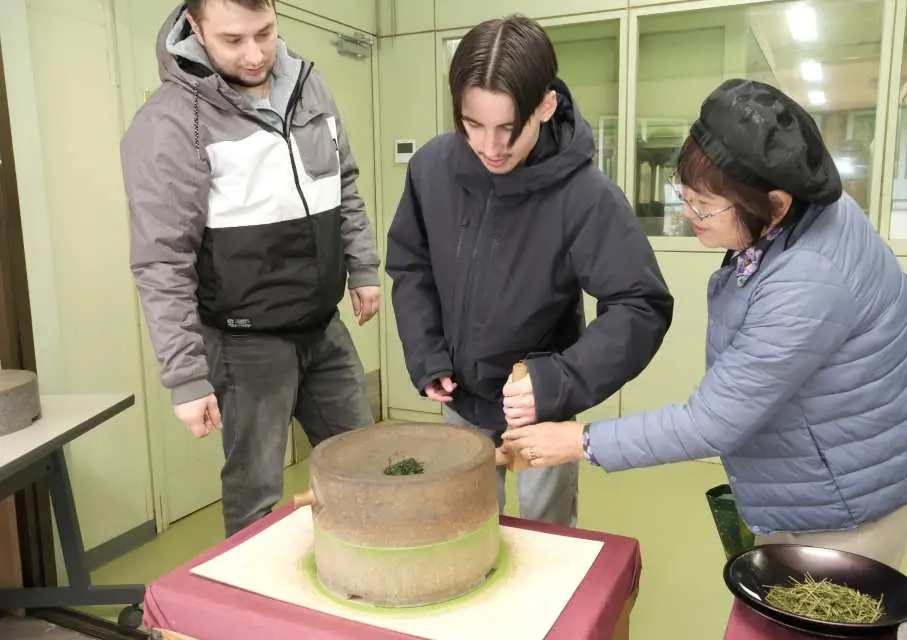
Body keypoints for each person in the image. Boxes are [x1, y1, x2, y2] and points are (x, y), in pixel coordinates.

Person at [501, 78, 907, 568]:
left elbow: (710, 422)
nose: (689, 214)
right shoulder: (807, 213)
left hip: (848, 497)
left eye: (705, 207)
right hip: (838, 457)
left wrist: (579, 441)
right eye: (685, 195)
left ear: (775, 204)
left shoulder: (808, 280)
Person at [384, 15, 674, 527]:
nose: (491, 147)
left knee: (549, 541)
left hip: (540, 406)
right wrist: (427, 353)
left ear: (545, 105)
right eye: (472, 125)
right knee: (464, 530)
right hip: (461, 400)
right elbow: (412, 263)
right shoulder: (431, 169)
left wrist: (558, 380)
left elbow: (640, 304)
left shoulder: (583, 196)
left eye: (508, 128)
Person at [119, 0, 381, 537]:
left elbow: (342, 183)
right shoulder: (171, 122)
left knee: (367, 467)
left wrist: (363, 266)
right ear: (194, 27)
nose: (256, 53)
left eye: (265, 32)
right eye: (234, 40)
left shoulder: (308, 83)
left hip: (322, 326)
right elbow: (161, 260)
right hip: (245, 344)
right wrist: (186, 378)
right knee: (255, 495)